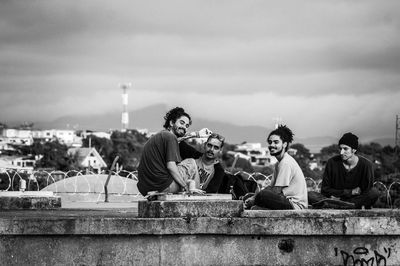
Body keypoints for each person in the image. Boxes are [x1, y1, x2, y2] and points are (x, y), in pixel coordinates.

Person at [137, 107, 201, 196]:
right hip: (163, 186)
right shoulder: (171, 137)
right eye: (181, 123)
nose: (184, 127)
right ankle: (197, 196)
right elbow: (171, 166)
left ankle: (193, 190)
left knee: (186, 176)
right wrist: (184, 186)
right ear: (171, 123)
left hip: (146, 188)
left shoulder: (159, 136)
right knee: (191, 162)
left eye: (187, 126)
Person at [244, 125, 308, 210]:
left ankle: (257, 207)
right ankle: (258, 208)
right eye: (270, 142)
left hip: (295, 205)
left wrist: (255, 198)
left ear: (284, 144)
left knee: (262, 195)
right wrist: (253, 197)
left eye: (276, 142)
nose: (272, 145)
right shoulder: (278, 164)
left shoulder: (286, 162)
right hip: (284, 200)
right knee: (251, 196)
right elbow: (271, 187)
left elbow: (276, 191)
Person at [309, 132, 380, 209]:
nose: (341, 152)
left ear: (354, 150)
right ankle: (345, 205)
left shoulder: (366, 165)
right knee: (310, 195)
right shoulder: (332, 162)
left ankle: (339, 205)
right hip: (335, 199)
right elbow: (325, 190)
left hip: (355, 200)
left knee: (374, 192)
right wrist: (350, 192)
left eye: (345, 149)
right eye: (340, 148)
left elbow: (367, 191)